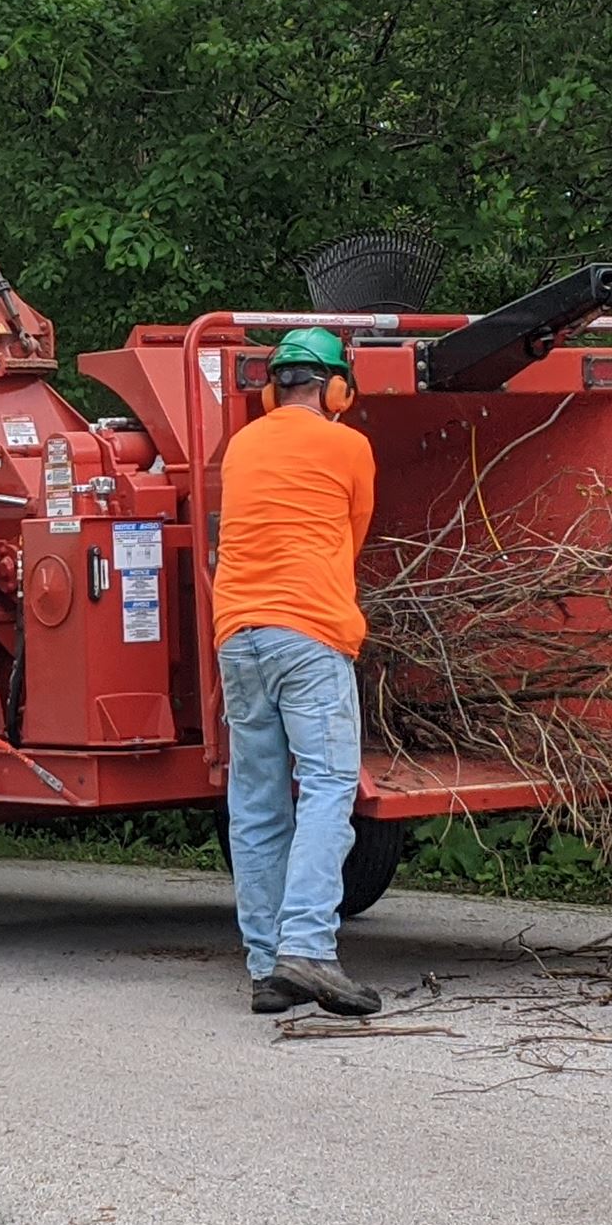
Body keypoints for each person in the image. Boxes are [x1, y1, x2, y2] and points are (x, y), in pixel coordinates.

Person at [212, 326, 383, 1017]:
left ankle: (266, 969)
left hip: (238, 637)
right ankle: (307, 947)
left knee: (257, 802)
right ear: (336, 389)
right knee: (328, 786)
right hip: (309, 635)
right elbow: (353, 536)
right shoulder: (349, 446)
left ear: (271, 391)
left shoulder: (241, 445)